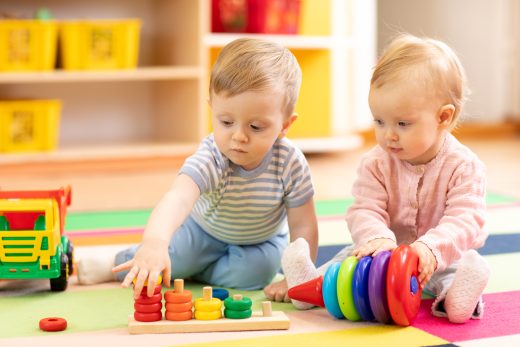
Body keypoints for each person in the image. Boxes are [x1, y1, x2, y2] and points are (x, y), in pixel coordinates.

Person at [77, 38, 319, 301]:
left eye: (256, 127)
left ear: (285, 125)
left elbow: (303, 223)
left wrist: (297, 278)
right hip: (203, 231)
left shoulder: (290, 162)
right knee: (168, 259)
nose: (238, 136)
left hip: (261, 242)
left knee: (256, 275)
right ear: (212, 109)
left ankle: (196, 270)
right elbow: (178, 198)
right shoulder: (212, 156)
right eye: (226, 122)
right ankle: (117, 261)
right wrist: (154, 243)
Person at [282, 33, 490, 323]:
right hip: (382, 256)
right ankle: (308, 285)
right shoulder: (376, 162)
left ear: (443, 118)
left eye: (403, 123)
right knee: (347, 264)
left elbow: (466, 220)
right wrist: (376, 238)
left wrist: (430, 248)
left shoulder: (464, 166)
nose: (388, 134)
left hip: (441, 258)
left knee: (456, 272)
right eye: (379, 121)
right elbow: (364, 208)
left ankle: (456, 301)